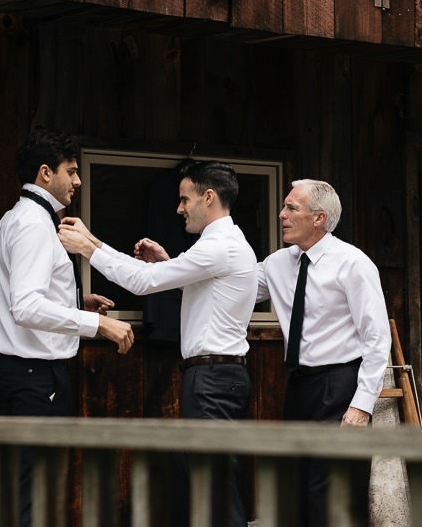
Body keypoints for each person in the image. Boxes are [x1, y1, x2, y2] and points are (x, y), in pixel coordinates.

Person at [60, 160, 258, 527]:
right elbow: (202, 286)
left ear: (209, 197)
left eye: (185, 200)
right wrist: (165, 262)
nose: (179, 208)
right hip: (214, 376)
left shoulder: (220, 247)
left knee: (211, 485)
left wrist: (88, 248)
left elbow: (142, 282)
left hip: (214, 378)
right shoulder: (224, 245)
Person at [0, 128, 134, 524]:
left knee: (30, 485)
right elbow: (26, 306)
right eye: (70, 171)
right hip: (37, 377)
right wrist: (97, 324)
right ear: (44, 174)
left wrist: (75, 301)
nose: (78, 181)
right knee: (37, 489)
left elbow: (22, 294)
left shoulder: (13, 218)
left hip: (20, 371)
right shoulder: (35, 225)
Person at [258, 178, 389, 527]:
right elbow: (232, 288)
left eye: (291, 208)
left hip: (340, 382)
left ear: (318, 218)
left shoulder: (353, 263)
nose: (282, 214)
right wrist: (175, 267)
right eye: (284, 206)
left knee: (333, 489)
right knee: (296, 485)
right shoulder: (276, 264)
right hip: (300, 384)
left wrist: (361, 407)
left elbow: (377, 338)